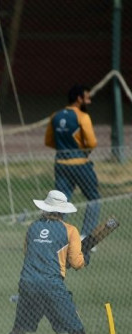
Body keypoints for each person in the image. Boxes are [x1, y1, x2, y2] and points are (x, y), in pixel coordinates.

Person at [0, 190, 102, 334]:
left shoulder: (32, 227)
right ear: (62, 211)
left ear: (46, 208)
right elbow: (77, 263)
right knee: (77, 331)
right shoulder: (70, 230)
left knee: (18, 331)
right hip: (52, 287)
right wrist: (85, 258)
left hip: (27, 285)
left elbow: (30, 254)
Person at [44, 84, 100, 239]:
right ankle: (86, 235)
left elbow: (49, 141)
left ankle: (56, 234)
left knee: (61, 200)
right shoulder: (82, 116)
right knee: (93, 197)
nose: (88, 102)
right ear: (79, 98)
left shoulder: (55, 116)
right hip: (80, 163)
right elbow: (91, 142)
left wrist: (64, 147)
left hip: (61, 164)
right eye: (87, 98)